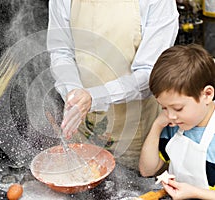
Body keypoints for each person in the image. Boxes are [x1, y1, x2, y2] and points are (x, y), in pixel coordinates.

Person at [47, 0, 179, 169]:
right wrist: (73, 92)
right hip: (81, 124)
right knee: (83, 176)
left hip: (135, 128)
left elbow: (150, 73)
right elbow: (61, 51)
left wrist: (94, 97)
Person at [139, 44, 215, 199]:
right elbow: (147, 170)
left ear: (207, 95)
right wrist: (157, 126)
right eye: (164, 108)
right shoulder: (175, 126)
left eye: (178, 108)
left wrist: (195, 193)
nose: (171, 116)